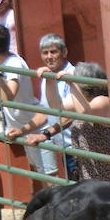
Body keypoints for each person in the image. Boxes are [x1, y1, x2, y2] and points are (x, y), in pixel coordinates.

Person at [0, 25, 55, 191]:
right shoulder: (7, 60)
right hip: (25, 126)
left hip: (36, 125)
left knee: (50, 178)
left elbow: (8, 97)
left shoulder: (12, 64)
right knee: (40, 172)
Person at [29, 34, 76, 179]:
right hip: (64, 146)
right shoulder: (47, 77)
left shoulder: (73, 74)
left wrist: (46, 134)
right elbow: (45, 112)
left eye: (53, 52)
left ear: (64, 52)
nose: (49, 57)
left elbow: (72, 116)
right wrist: (22, 130)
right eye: (45, 53)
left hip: (76, 146)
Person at [59, 62, 110, 182]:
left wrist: (71, 84)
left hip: (106, 173)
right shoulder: (83, 102)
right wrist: (49, 82)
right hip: (89, 171)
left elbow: (83, 115)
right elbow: (56, 105)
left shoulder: (101, 101)